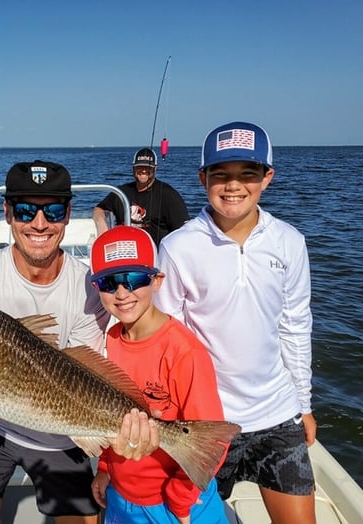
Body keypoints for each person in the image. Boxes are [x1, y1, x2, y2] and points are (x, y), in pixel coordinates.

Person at [0, 160, 162, 524]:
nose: (39, 223)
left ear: (68, 215)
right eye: (25, 210)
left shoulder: (88, 286)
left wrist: (126, 428)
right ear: (7, 213)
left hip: (66, 433)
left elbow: (85, 365)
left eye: (52, 210)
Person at [155, 121, 316, 523]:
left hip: (278, 415)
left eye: (248, 174)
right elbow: (166, 338)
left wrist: (304, 404)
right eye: (220, 175)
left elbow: (295, 326)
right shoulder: (178, 247)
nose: (233, 186)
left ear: (268, 178)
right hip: (205, 420)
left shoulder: (289, 242)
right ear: (202, 178)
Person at [89, 225, 229, 524]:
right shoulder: (110, 340)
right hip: (121, 496)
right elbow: (106, 416)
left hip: (179, 503)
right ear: (96, 288)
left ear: (157, 280)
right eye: (109, 282)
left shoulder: (184, 352)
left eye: (134, 278)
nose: (123, 292)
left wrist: (180, 502)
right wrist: (104, 469)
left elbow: (211, 443)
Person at [92, 147, 189, 245]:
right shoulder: (121, 193)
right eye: (139, 167)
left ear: (155, 168)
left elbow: (183, 231)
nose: (143, 171)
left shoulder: (169, 195)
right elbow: (99, 209)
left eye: (148, 168)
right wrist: (102, 226)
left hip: (156, 254)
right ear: (133, 168)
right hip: (126, 250)